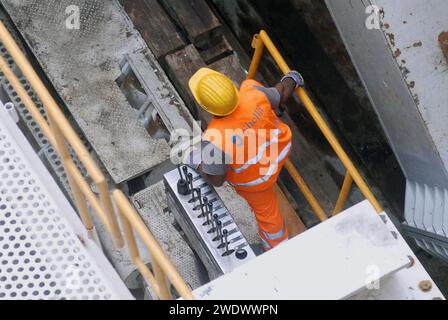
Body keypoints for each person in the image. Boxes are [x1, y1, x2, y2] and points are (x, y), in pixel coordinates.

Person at [186, 68, 304, 251]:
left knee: (269, 218)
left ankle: (279, 249)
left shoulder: (214, 139)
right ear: (231, 87)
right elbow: (279, 94)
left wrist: (198, 164)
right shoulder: (251, 91)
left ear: (205, 107)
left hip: (257, 182)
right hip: (281, 149)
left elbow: (216, 179)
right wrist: (292, 79)